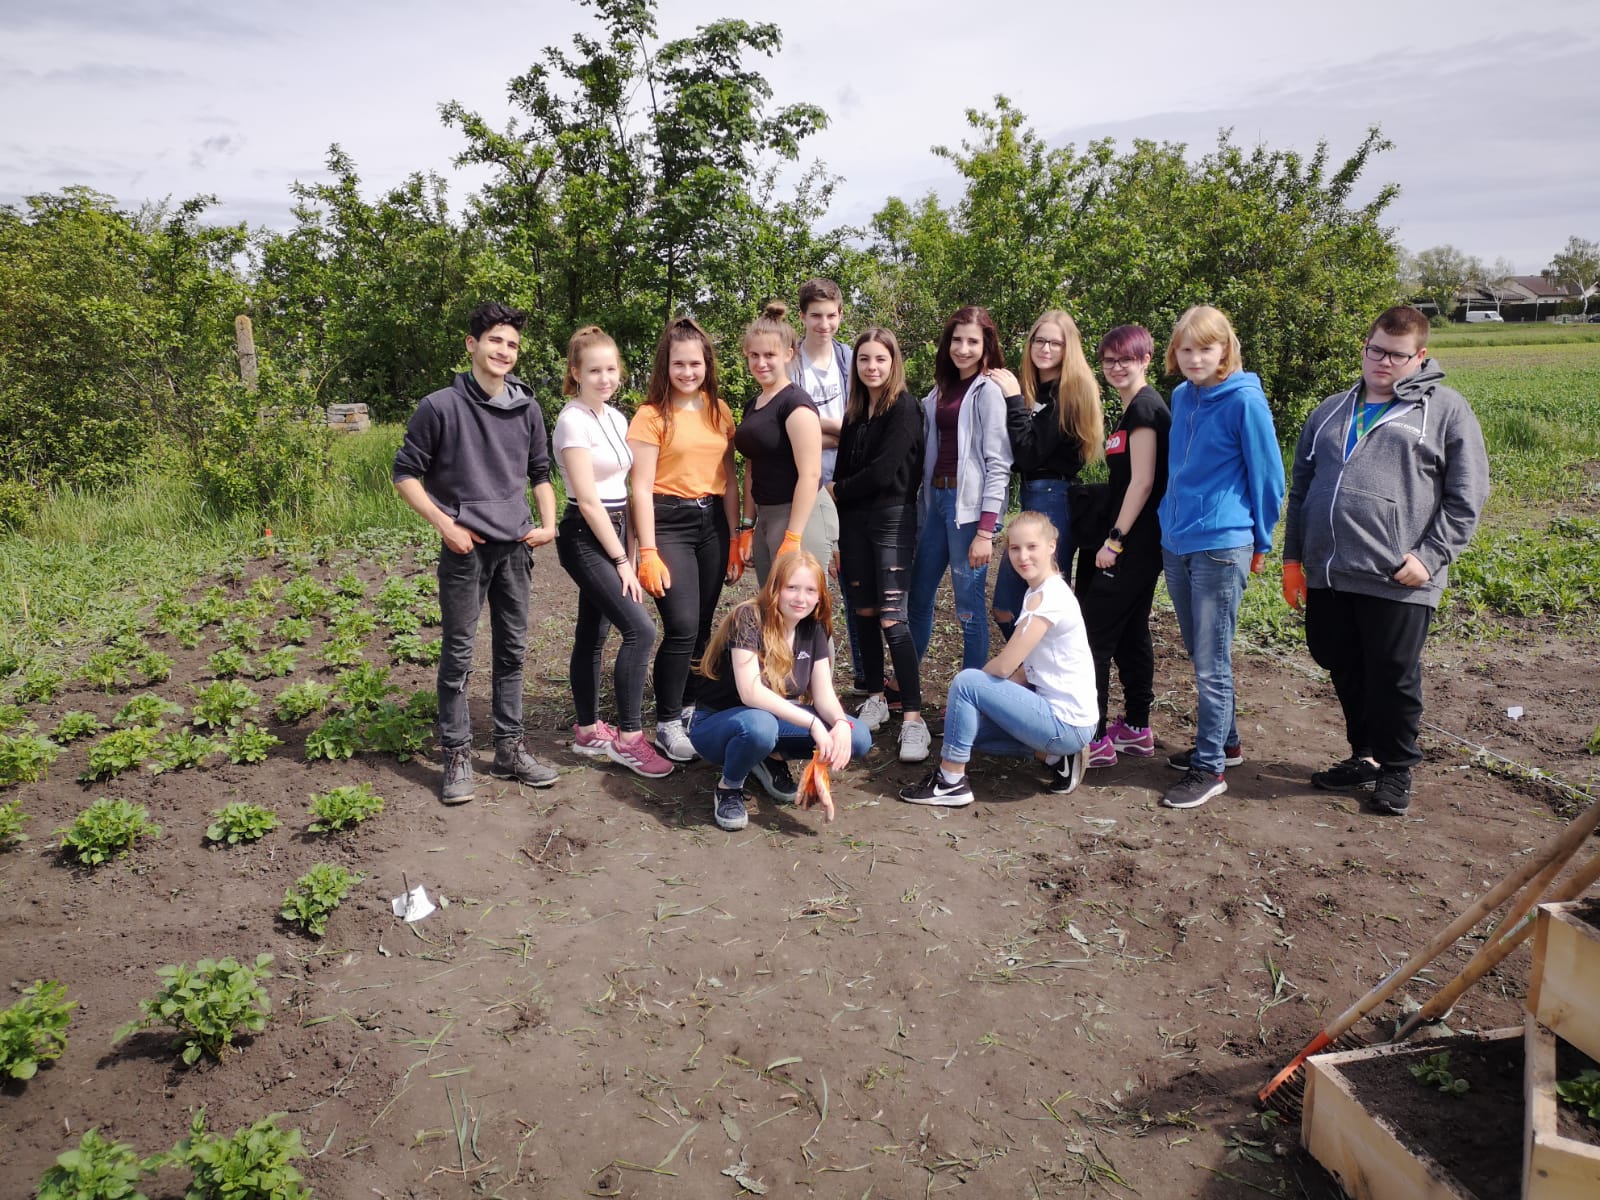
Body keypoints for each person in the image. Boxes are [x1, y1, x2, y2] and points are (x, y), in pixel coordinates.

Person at [1282, 305, 1489, 816]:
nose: (1383, 362)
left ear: (1419, 357)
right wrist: (1294, 559)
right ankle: (1366, 756)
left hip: (1399, 574)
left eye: (1396, 355)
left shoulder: (1445, 411)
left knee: (1392, 672)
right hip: (1330, 569)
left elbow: (1467, 495)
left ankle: (1397, 770)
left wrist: (1432, 555)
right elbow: (1302, 489)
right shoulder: (1331, 409)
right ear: (1365, 347)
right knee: (1339, 660)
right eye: (1375, 350)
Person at [392, 301, 560, 803]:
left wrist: (549, 524)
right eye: (495, 341)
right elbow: (405, 474)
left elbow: (541, 475)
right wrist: (447, 525)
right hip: (466, 551)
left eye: (511, 344)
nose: (503, 351)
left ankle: (509, 749)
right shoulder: (439, 406)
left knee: (512, 652)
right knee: (459, 655)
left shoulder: (527, 408)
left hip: (515, 551)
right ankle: (457, 754)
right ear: (472, 345)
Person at [1157, 305, 1286, 810]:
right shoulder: (1182, 396)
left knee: (1212, 662)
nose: (1194, 358)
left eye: (1205, 349)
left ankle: (1208, 767)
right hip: (1177, 539)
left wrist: (1262, 540)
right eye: (1185, 349)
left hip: (1221, 542)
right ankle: (1226, 743)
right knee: (1198, 649)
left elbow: (1269, 476)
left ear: (1225, 350)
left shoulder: (1245, 402)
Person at [898, 511, 1096, 807]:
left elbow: (1005, 666)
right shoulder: (1040, 591)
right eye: (1015, 549)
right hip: (1066, 724)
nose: (1023, 556)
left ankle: (950, 782)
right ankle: (1056, 757)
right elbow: (1024, 672)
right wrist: (983, 705)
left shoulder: (1048, 598)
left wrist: (976, 691)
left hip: (1065, 723)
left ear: (1052, 546)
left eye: (1032, 547)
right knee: (962, 728)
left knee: (966, 683)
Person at [552, 326, 673, 779]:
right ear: (576, 373)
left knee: (594, 633)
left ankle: (587, 732)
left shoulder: (616, 418)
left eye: (611, 369)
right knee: (640, 630)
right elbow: (587, 499)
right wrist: (622, 561)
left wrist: (636, 546)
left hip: (617, 528)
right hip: (586, 533)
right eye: (594, 370)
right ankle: (629, 740)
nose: (605, 378)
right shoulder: (572, 420)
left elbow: (627, 487)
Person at [690, 550, 872, 832]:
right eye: (792, 588)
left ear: (820, 596)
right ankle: (729, 787)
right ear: (775, 588)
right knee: (759, 727)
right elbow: (751, 693)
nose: (801, 598)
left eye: (810, 590)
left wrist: (839, 725)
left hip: (772, 721)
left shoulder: (814, 628)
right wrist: (812, 724)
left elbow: (823, 695)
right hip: (717, 725)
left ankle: (770, 757)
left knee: (857, 735)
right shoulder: (748, 617)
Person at [628, 317, 739, 763]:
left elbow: (730, 479)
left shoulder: (720, 410)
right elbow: (640, 485)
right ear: (666, 366)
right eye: (679, 364)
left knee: (704, 626)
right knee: (681, 626)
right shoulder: (650, 415)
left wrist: (735, 536)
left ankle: (691, 707)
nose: (688, 372)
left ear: (707, 364)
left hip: (711, 521)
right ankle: (668, 721)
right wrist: (648, 550)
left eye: (695, 363)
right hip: (668, 520)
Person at [832, 327, 930, 762]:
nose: (872, 367)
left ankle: (912, 716)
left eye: (880, 360)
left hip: (892, 519)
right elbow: (848, 469)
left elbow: (885, 472)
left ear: (894, 364)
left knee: (893, 617)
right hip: (853, 524)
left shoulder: (904, 408)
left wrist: (837, 490)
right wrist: (840, 507)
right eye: (864, 359)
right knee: (864, 611)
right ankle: (874, 696)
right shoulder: (855, 412)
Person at [1079, 325, 1171, 768]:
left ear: (1147, 358)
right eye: (1109, 360)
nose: (1116, 367)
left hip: (1134, 543)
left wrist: (1114, 541)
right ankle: (1136, 728)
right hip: (1138, 544)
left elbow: (1144, 480)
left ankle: (1093, 737)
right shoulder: (1130, 408)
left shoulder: (1146, 410)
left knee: (1093, 634)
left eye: (1126, 359)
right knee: (1132, 632)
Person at [907, 305, 1014, 671]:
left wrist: (986, 530)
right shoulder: (941, 388)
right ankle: (905, 681)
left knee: (968, 608)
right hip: (936, 500)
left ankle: (970, 691)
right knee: (918, 598)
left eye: (972, 341)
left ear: (986, 346)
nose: (963, 349)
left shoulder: (988, 390)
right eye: (957, 340)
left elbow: (999, 463)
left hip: (967, 511)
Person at [989, 309, 1103, 639]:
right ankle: (1039, 676)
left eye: (1055, 342)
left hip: (1053, 499)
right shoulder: (1036, 390)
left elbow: (1028, 453)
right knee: (1023, 605)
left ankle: (1044, 674)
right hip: (1033, 496)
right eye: (1039, 340)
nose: (1045, 348)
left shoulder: (1069, 392)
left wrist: (1012, 400)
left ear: (1069, 349)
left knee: (1020, 605)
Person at [789, 278, 866, 691]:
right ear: (802, 316)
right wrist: (839, 430)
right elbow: (788, 423)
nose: (824, 323)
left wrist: (824, 429)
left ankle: (857, 675)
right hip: (806, 481)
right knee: (810, 577)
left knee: (850, 577)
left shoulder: (851, 360)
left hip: (848, 479)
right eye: (815, 315)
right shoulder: (788, 363)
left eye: (831, 315)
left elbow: (863, 425)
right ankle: (811, 671)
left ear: (841, 314)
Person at [733, 301, 827, 585]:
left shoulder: (795, 404)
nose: (761, 363)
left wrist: (793, 536)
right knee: (772, 610)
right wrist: (747, 526)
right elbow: (751, 468)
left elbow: (811, 474)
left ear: (788, 354)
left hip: (799, 514)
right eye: (754, 355)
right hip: (766, 516)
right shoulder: (754, 405)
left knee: (801, 610)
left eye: (769, 355)